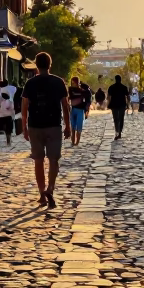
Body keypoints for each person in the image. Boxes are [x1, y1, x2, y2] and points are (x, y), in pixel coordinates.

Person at [21, 52, 71, 208]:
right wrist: (68, 125)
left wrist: (24, 126)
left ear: (36, 64)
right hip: (54, 125)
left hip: (35, 125)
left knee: (38, 160)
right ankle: (51, 188)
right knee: (54, 159)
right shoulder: (58, 82)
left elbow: (24, 106)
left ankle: (42, 193)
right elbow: (65, 105)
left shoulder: (30, 83)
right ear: (50, 65)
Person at [68, 76, 89, 146]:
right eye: (72, 83)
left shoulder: (83, 91)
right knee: (73, 126)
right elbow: (70, 97)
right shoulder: (70, 89)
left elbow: (87, 99)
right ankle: (73, 141)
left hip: (80, 110)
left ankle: (77, 142)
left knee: (79, 127)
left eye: (74, 83)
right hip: (73, 109)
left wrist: (87, 110)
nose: (73, 84)